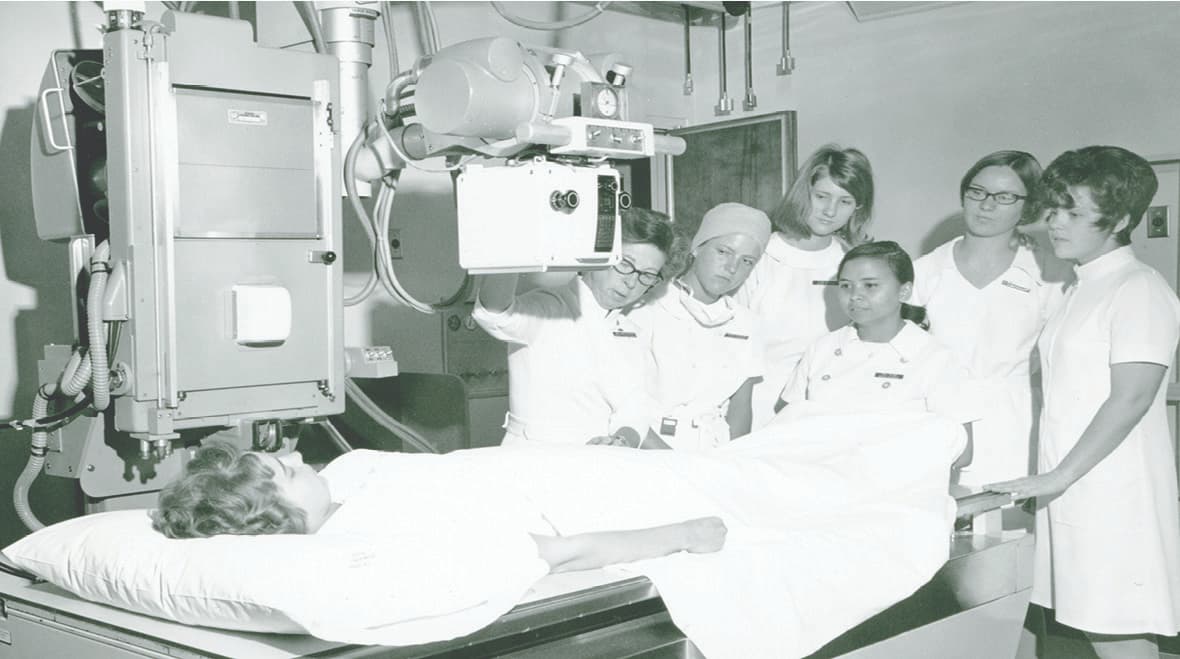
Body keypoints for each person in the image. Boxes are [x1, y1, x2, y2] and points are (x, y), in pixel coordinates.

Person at [987, 146, 1180, 659]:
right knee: (1085, 627)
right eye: (1054, 208)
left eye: (1073, 212)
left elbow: (1132, 397)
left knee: (1117, 632)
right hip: (1075, 488)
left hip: (1113, 493)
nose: (1054, 222)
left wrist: (1059, 477)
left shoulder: (1138, 289)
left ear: (1120, 220)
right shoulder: (1081, 287)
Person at [151, 443, 728, 573]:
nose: (299, 455)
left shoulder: (343, 481)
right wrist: (683, 533)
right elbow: (563, 552)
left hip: (577, 463)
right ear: (278, 520)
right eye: (288, 471)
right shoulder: (381, 532)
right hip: (611, 493)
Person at [911, 151, 1062, 491]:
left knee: (1008, 517)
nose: (987, 205)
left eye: (1005, 197)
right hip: (938, 420)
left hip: (1018, 425)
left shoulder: (1049, 273)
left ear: (1028, 205)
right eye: (977, 192)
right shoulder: (924, 271)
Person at [472, 208, 680, 446]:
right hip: (538, 457)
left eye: (647, 275)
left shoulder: (629, 330)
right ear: (600, 256)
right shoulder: (551, 308)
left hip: (604, 460)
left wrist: (623, 440)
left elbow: (635, 407)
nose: (631, 282)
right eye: (625, 264)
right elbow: (495, 313)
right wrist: (513, 240)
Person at [780, 241, 977, 449]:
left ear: (904, 291)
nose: (854, 295)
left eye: (870, 285)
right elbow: (787, 425)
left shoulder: (935, 358)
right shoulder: (821, 349)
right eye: (846, 285)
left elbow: (961, 451)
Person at [734, 145, 875, 429]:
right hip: (757, 406)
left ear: (857, 208)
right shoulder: (760, 254)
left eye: (845, 201)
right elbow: (733, 349)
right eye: (821, 196)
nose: (830, 211)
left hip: (829, 409)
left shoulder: (854, 263)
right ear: (803, 193)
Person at [625, 203, 771, 450]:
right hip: (649, 447)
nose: (732, 268)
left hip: (714, 451)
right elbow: (622, 401)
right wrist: (673, 463)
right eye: (723, 252)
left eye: (747, 261)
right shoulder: (645, 306)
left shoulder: (747, 324)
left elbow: (740, 407)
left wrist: (734, 460)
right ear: (697, 247)